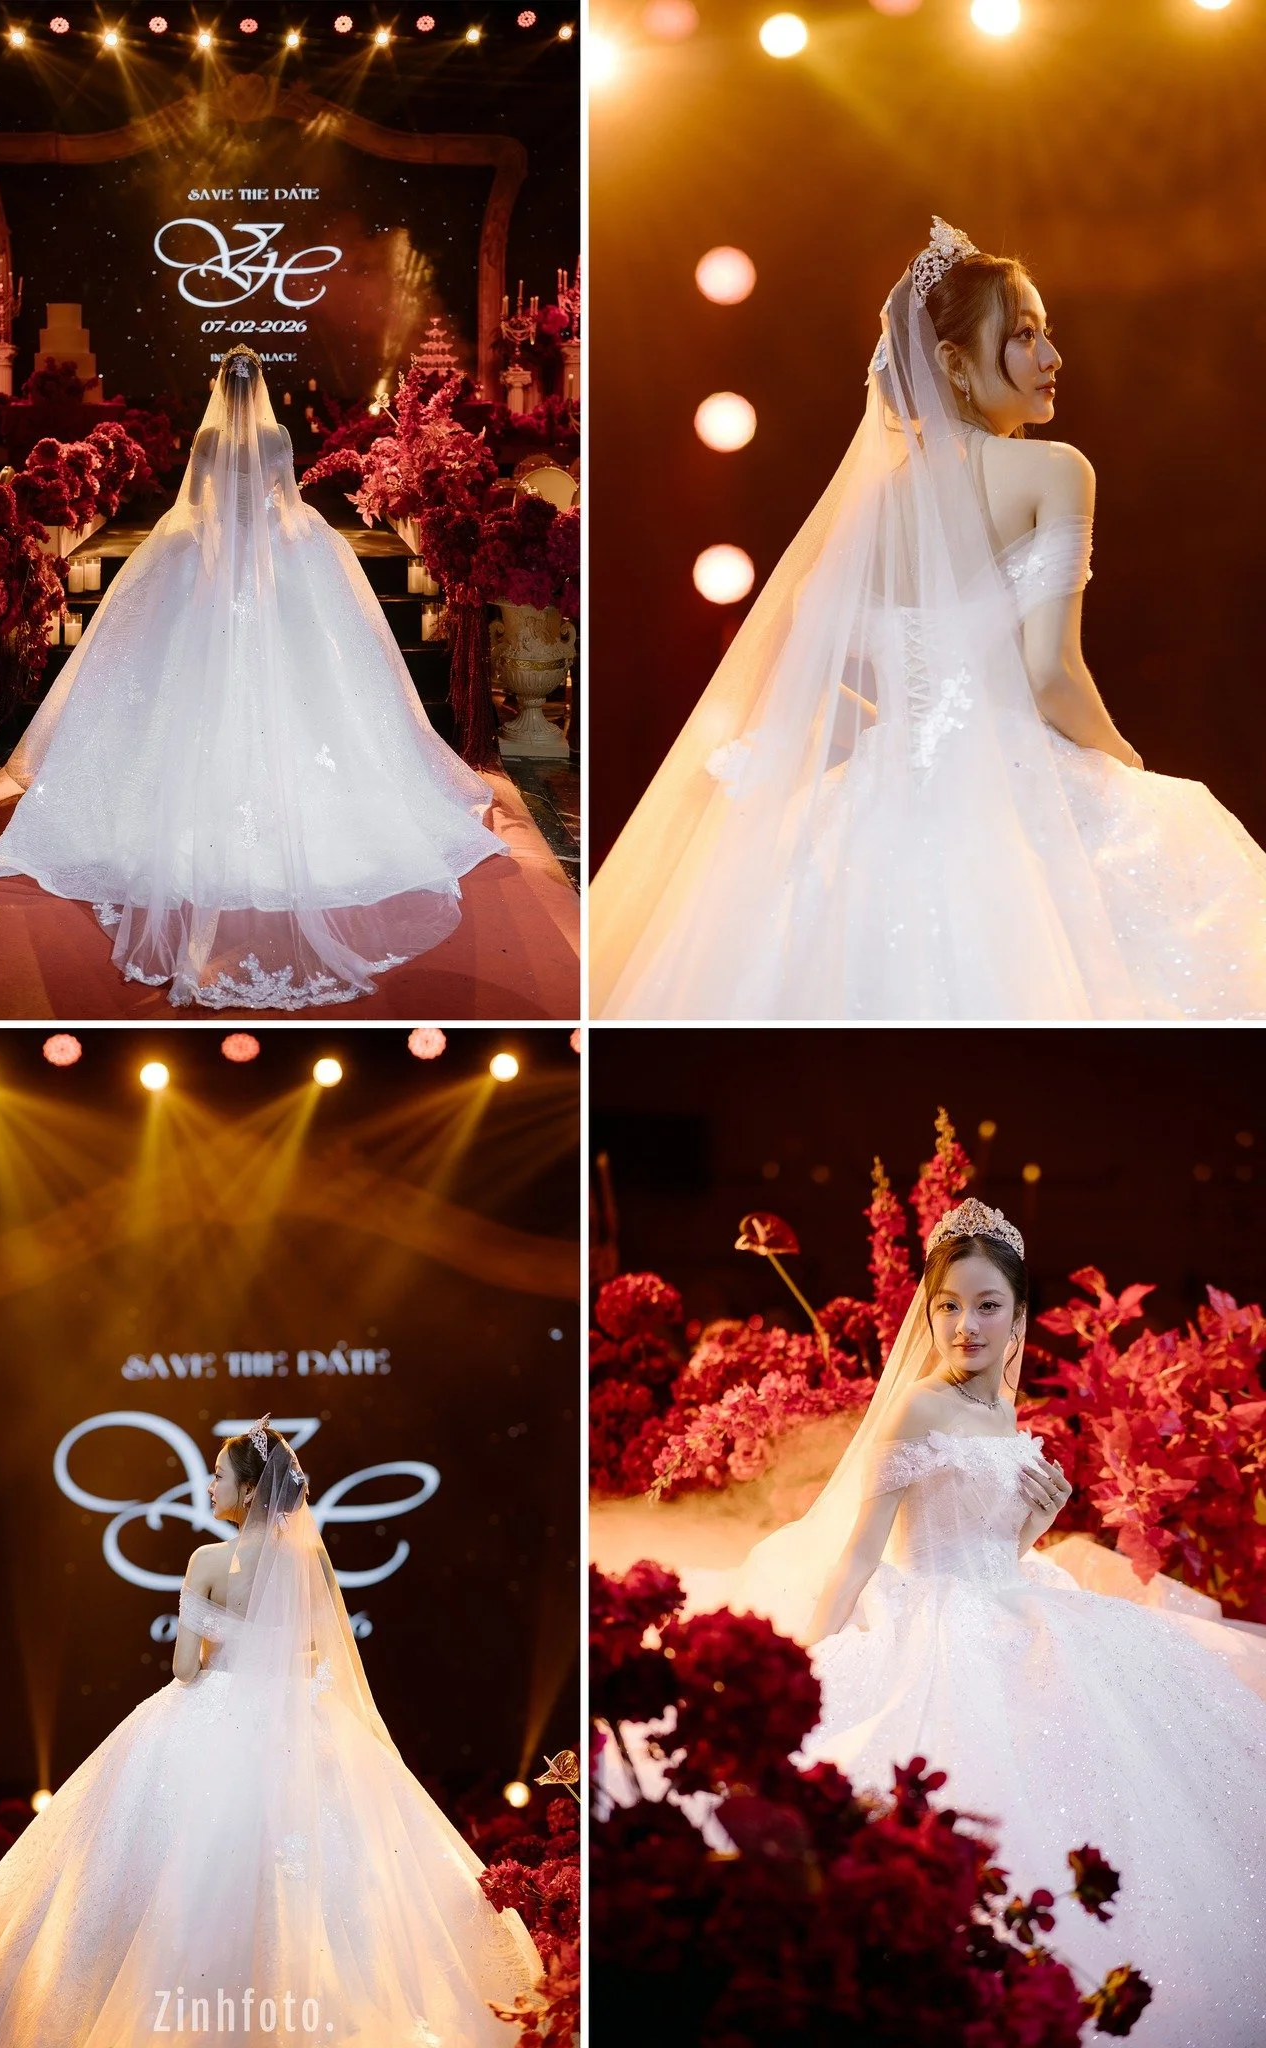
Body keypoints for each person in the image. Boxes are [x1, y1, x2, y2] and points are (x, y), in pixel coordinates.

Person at [590, 216, 1266, 1019]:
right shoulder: (1056, 471)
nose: (1052, 357)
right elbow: (1051, 673)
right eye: (1023, 336)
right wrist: (1124, 762)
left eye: (1046, 332)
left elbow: (821, 678)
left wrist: (902, 734)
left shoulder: (867, 512)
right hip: (1019, 793)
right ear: (952, 362)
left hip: (878, 808)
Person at [715, 1198, 1266, 2045]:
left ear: (1016, 1315)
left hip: (1012, 1599)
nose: (965, 1326)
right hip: (938, 1615)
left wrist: (1034, 1526)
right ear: (927, 1310)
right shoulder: (917, 1407)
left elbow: (992, 1547)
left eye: (986, 1306)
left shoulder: (1004, 1411)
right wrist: (806, 1657)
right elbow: (863, 1552)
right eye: (947, 1305)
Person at [0, 1422, 543, 2045]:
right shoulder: (311, 1563)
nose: (208, 1485)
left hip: (211, 1710)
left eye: (218, 1475)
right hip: (299, 1723)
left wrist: (227, 1653)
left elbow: (184, 1668)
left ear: (248, 1491)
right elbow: (324, 1655)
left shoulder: (208, 1561)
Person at [0, 344, 508, 1011]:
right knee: (307, 687)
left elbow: (196, 506)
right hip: (272, 564)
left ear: (218, 390)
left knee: (181, 684)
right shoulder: (278, 438)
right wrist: (272, 546)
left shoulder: (207, 442)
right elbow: (286, 507)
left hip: (208, 560)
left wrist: (212, 552)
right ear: (258, 387)